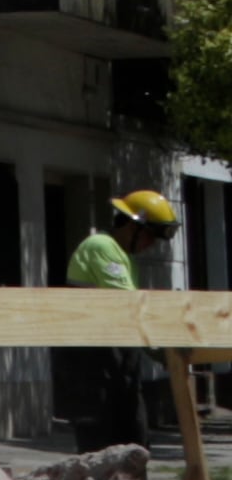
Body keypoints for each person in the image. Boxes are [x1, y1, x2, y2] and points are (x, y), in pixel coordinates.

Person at [64, 189, 182, 448]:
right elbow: (127, 307)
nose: (151, 244)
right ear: (133, 226)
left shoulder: (123, 256)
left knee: (135, 445)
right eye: (150, 235)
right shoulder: (101, 247)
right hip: (95, 368)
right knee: (103, 452)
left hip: (117, 365)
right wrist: (160, 346)